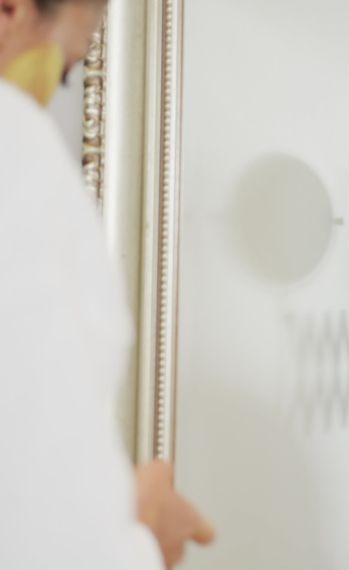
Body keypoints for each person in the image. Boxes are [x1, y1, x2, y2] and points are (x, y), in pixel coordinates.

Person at [0, 0, 215, 567]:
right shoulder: (14, 148)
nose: (48, 100)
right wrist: (148, 535)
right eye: (67, 71)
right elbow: (41, 516)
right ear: (11, 10)